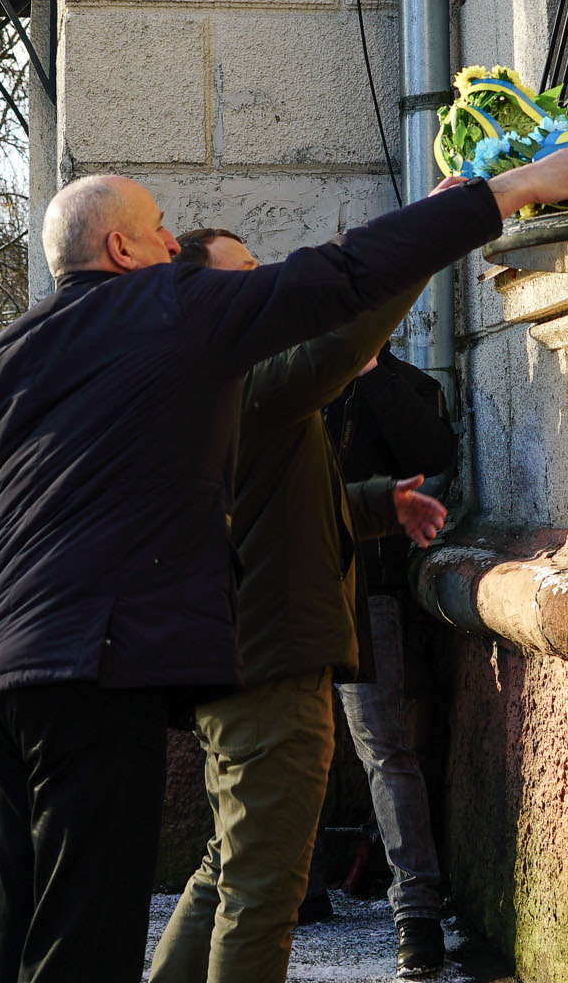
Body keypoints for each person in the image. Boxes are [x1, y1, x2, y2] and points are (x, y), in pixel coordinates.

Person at [0, 149, 568, 983]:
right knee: (86, 938)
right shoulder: (166, 305)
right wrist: (504, 193)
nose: (169, 243)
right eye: (158, 229)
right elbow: (336, 278)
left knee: (24, 933)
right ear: (122, 251)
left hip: (1, 683)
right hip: (95, 672)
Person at [149, 228, 449, 983]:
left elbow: (274, 508)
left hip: (238, 657)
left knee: (229, 868)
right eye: (245, 274)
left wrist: (379, 503)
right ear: (205, 295)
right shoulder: (249, 378)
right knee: (261, 890)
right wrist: (437, 231)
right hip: (269, 667)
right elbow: (346, 340)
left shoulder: (204, 379)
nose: (266, 283)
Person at [322, 345, 461, 974]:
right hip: (276, 594)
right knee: (269, 745)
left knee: (385, 748)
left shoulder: (404, 384)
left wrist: (370, 373)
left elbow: (431, 455)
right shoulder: (285, 376)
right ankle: (292, 887)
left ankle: (416, 912)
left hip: (367, 589)